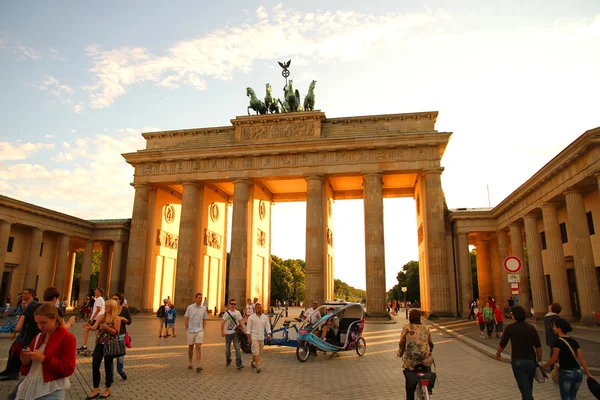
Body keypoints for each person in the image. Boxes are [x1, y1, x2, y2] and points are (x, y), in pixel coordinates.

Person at [8, 302, 77, 400]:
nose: (40, 326)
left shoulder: (67, 337)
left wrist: (43, 359)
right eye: (37, 323)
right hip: (34, 384)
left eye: (43, 323)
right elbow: (31, 365)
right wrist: (26, 359)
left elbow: (68, 368)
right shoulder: (39, 336)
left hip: (52, 388)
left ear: (53, 318)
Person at [496, 305, 542, 400]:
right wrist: (539, 359)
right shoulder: (531, 328)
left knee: (525, 389)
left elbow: (503, 343)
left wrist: (498, 353)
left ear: (514, 316)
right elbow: (538, 346)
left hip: (518, 361)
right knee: (528, 387)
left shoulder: (510, 328)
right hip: (530, 360)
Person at [543, 318, 593, 400]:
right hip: (578, 372)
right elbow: (581, 359)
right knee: (573, 397)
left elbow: (554, 358)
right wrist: (588, 373)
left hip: (566, 372)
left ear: (559, 329)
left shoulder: (558, 342)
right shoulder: (574, 342)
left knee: (566, 397)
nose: (553, 328)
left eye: (555, 326)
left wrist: (545, 366)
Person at [0, 288, 40, 382]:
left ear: (31, 294)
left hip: (28, 334)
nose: (23, 295)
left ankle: (14, 373)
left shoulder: (31, 306)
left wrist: (15, 331)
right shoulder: (29, 305)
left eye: (25, 293)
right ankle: (11, 371)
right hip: (25, 333)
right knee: (14, 351)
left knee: (19, 352)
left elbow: (21, 323)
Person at [86, 299, 121, 399]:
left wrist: (107, 328)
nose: (106, 307)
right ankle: (95, 389)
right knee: (95, 366)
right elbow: (94, 327)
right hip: (100, 344)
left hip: (110, 345)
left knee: (108, 367)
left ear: (113, 307)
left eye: (108, 306)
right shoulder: (102, 316)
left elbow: (116, 332)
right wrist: (89, 327)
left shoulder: (116, 318)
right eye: (106, 305)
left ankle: (107, 389)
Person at [397, 309, 435, 400]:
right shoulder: (426, 328)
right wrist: (429, 351)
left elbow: (402, 342)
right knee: (427, 369)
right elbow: (430, 343)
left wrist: (400, 352)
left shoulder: (407, 328)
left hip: (411, 361)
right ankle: (428, 390)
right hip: (425, 359)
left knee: (409, 386)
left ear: (410, 317)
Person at [184, 293, 209, 372]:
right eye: (199, 298)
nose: (200, 299)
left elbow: (205, 318)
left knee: (198, 346)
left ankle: (198, 364)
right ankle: (190, 362)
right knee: (190, 347)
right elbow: (186, 318)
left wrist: (203, 328)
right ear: (195, 298)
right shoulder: (190, 307)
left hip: (199, 330)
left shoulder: (203, 308)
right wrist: (186, 328)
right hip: (191, 329)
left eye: (201, 298)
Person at [111, 293, 132, 381]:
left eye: (116, 299)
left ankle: (120, 371)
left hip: (121, 335)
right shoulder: (109, 309)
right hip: (111, 335)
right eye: (113, 299)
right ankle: (110, 376)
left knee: (120, 357)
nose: (114, 300)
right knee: (110, 355)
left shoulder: (124, 310)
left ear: (120, 300)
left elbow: (129, 321)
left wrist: (124, 319)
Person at [246, 303, 271, 373]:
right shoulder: (251, 317)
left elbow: (267, 326)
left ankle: (253, 362)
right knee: (256, 350)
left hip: (261, 337)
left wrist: (269, 334)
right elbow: (248, 328)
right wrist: (249, 337)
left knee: (258, 352)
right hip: (254, 336)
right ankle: (258, 365)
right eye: (258, 308)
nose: (260, 309)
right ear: (255, 309)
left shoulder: (264, 317)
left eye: (260, 308)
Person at [79, 288, 105, 353]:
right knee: (93, 331)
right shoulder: (101, 299)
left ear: (99, 292)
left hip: (96, 318)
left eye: (96, 291)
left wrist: (92, 318)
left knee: (95, 332)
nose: (95, 292)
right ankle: (88, 346)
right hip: (98, 318)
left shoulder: (99, 299)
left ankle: (89, 347)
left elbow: (98, 309)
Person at [221, 298, 244, 369]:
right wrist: (222, 331)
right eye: (232, 304)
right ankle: (228, 359)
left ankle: (239, 363)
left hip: (235, 333)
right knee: (227, 349)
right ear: (229, 305)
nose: (233, 305)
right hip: (228, 333)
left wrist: (242, 330)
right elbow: (222, 323)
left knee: (237, 348)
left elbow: (240, 322)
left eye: (234, 304)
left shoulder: (238, 312)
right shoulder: (226, 313)